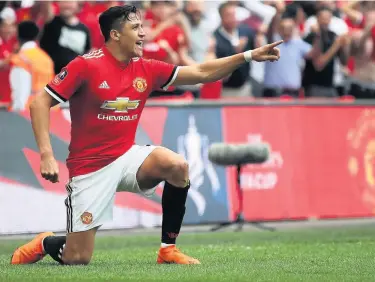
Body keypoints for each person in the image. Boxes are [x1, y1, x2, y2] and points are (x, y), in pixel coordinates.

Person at [11, 5, 281, 266]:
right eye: (136, 27)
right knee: (77, 258)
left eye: (143, 26)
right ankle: (47, 242)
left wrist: (247, 56)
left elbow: (201, 72)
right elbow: (39, 103)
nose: (143, 33)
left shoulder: (146, 68)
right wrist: (46, 155)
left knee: (176, 165)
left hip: (127, 156)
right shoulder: (85, 65)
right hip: (90, 167)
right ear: (115, 34)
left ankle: (168, 249)